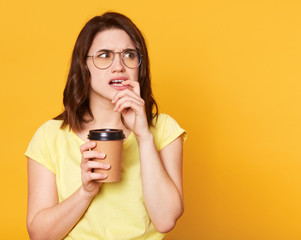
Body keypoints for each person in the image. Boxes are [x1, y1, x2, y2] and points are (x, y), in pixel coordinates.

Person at [25, 12, 187, 240]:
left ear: (139, 66)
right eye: (104, 55)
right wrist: (86, 192)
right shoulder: (49, 136)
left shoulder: (164, 130)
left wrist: (143, 136)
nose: (119, 66)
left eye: (129, 55)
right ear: (83, 66)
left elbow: (166, 219)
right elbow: (39, 235)